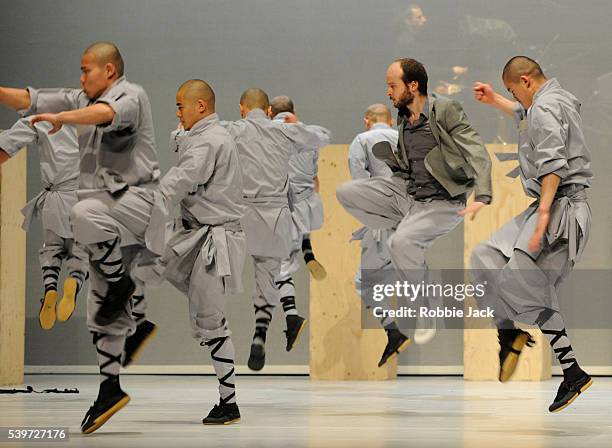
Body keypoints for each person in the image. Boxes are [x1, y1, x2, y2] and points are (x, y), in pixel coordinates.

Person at [0, 41, 159, 433]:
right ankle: (111, 388)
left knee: (81, 214)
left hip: (135, 203)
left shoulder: (130, 95)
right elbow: (30, 98)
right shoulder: (77, 97)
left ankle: (126, 298)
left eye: (87, 69)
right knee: (99, 311)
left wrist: (64, 118)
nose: (80, 76)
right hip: (102, 214)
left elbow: (105, 114)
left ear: (109, 70)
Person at [336, 58, 492, 367]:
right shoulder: (403, 120)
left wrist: (483, 195)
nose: (388, 92)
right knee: (347, 192)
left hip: (442, 201)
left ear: (413, 85)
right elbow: (408, 167)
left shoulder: (444, 110)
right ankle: (399, 225)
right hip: (407, 195)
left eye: (392, 85)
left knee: (399, 244)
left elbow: (476, 150)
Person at [472, 56, 593, 412]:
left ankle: (572, 371)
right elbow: (526, 115)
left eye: (513, 90)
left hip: (560, 210)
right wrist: (496, 99)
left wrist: (542, 218)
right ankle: (509, 332)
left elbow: (554, 164)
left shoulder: (544, 108)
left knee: (523, 282)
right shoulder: (552, 99)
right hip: (548, 205)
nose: (516, 98)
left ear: (526, 81)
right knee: (484, 258)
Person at [148, 79, 245, 424]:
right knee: (145, 259)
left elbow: (183, 176)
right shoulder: (210, 135)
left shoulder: (210, 141)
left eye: (180, 106)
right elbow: (184, 141)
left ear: (200, 106)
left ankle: (228, 402)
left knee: (212, 321)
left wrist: (152, 198)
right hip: (190, 234)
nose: (177, 112)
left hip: (211, 242)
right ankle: (134, 323)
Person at [220, 88, 330, 370]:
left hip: (242, 214)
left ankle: (216, 325)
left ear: (244, 108)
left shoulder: (235, 129)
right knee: (271, 272)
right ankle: (262, 331)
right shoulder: (286, 133)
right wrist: (294, 125)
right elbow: (322, 136)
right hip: (281, 213)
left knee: (217, 270)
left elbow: (197, 135)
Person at [0, 119, 87, 330]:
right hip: (85, 200)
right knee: (82, 252)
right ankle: (74, 283)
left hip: (54, 200)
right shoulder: (101, 124)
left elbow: (16, 136)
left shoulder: (46, 120)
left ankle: (50, 288)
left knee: (52, 249)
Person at [268, 95, 327, 352]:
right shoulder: (310, 136)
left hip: (279, 208)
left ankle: (292, 315)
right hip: (307, 204)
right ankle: (308, 251)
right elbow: (314, 174)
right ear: (294, 110)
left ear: (270, 112)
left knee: (280, 269)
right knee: (302, 222)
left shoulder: (266, 134)